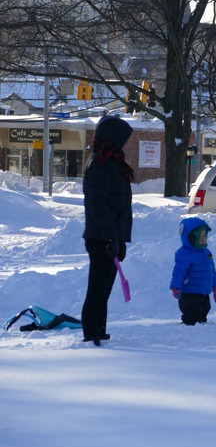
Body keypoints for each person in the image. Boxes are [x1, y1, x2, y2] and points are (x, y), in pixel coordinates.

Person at [82, 116, 134, 345]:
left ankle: (99, 329)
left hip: (111, 236)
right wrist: (111, 236)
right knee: (97, 289)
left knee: (105, 290)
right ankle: (91, 332)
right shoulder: (101, 166)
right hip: (101, 237)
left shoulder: (112, 163)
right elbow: (97, 205)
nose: (125, 144)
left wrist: (120, 238)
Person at [170, 217, 216, 325]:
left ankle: (201, 327)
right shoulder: (184, 254)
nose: (204, 239)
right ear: (190, 237)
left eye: (205, 235)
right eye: (201, 236)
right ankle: (188, 328)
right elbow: (179, 272)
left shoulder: (206, 252)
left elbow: (212, 271)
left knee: (205, 309)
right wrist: (176, 287)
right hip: (189, 293)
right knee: (192, 312)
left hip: (204, 291)